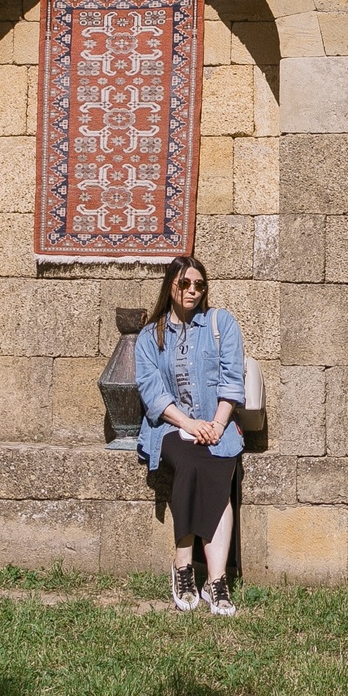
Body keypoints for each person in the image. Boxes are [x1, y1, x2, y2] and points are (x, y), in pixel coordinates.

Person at [135, 254, 247, 616]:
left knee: (217, 471)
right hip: (171, 427)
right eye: (185, 283)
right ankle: (183, 566)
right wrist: (188, 423)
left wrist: (216, 423)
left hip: (218, 426)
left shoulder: (221, 323)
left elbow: (232, 380)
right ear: (171, 285)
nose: (193, 291)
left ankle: (216, 582)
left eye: (199, 285)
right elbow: (152, 392)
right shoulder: (150, 336)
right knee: (188, 466)